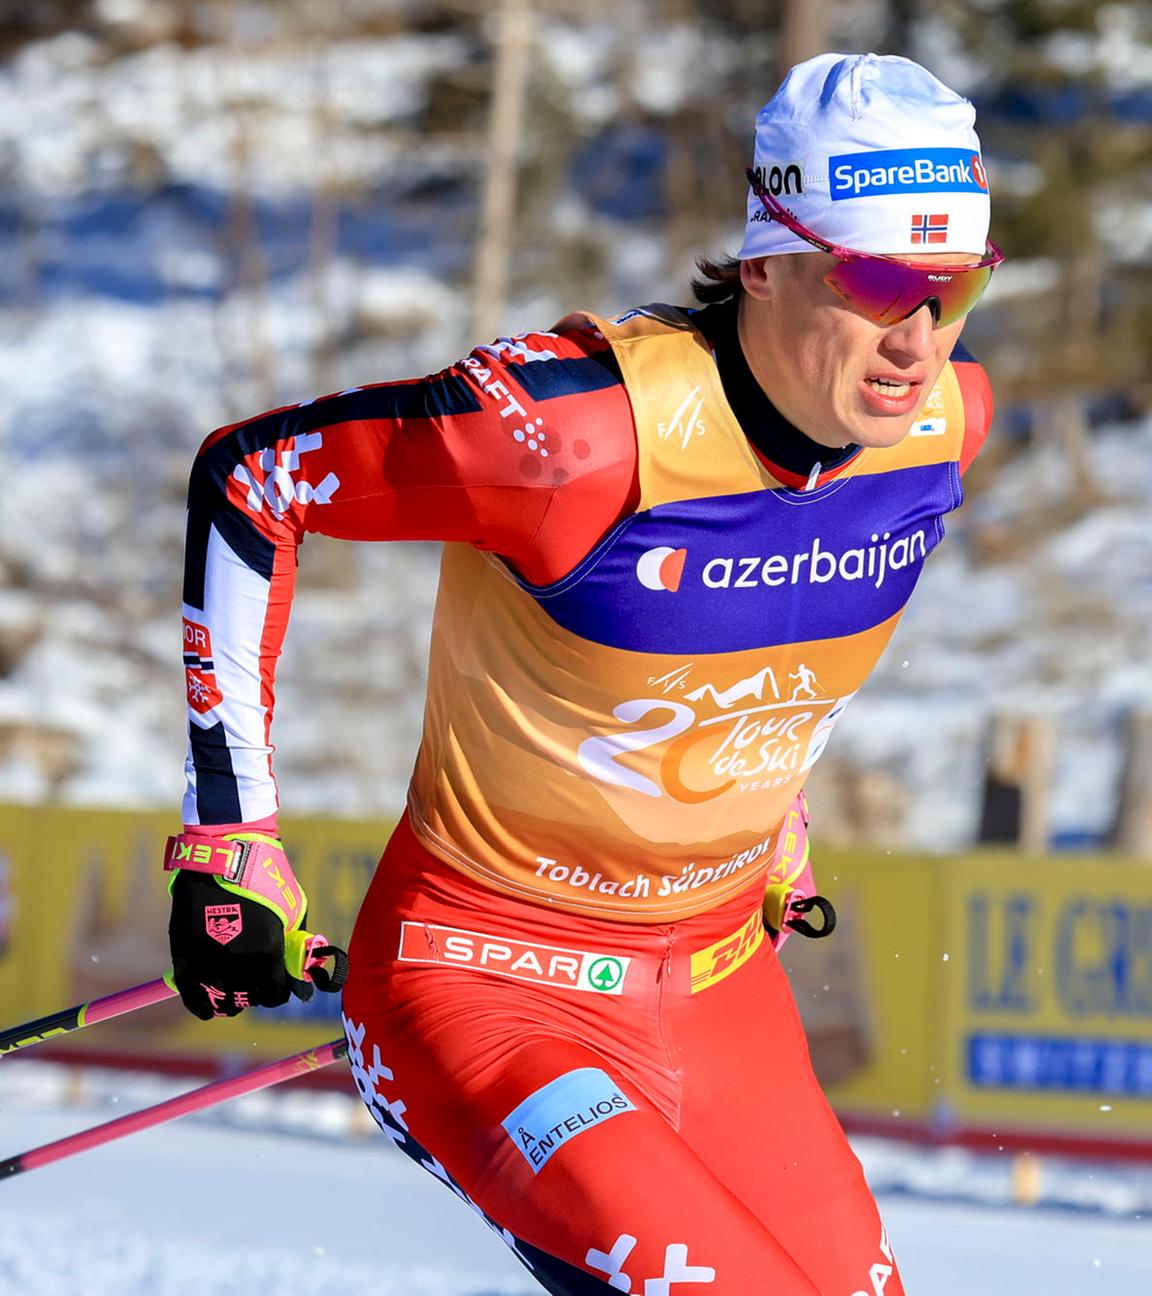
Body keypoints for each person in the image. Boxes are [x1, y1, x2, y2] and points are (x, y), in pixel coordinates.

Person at [164, 51, 1000, 1295]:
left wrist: (771, 807)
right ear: (768, 259)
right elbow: (254, 480)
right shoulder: (570, 438)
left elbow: (772, 630)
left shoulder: (942, 429)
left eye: (955, 290)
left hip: (717, 988)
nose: (918, 341)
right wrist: (230, 835)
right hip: (485, 986)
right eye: (880, 282)